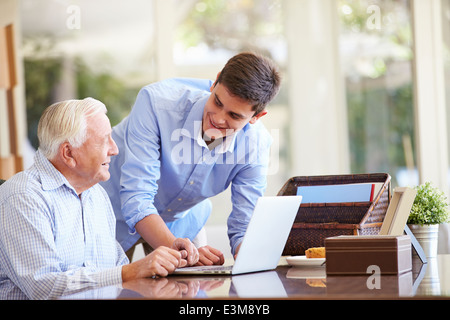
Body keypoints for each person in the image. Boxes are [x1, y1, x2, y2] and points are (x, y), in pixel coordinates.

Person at [0, 98, 198, 300]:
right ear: (68, 153)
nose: (114, 149)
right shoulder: (23, 197)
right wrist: (130, 271)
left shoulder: (96, 195)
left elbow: (116, 269)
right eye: (104, 140)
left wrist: (172, 263)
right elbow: (44, 287)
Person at [101, 52, 281, 265]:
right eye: (217, 102)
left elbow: (244, 226)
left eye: (234, 116)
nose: (218, 118)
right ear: (215, 82)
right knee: (109, 290)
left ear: (256, 117)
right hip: (112, 213)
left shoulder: (255, 145)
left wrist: (251, 262)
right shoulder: (157, 103)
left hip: (182, 221)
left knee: (192, 289)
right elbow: (137, 198)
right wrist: (180, 251)